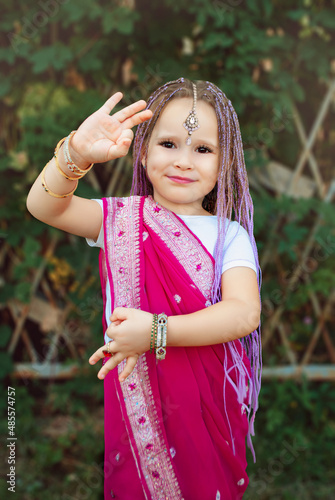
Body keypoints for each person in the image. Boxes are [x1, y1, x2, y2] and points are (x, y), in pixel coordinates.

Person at [27, 77, 262, 500]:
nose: (184, 161)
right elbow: (45, 206)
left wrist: (156, 331)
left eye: (203, 149)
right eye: (168, 144)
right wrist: (75, 155)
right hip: (137, 420)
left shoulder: (229, 235)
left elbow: (243, 313)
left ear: (225, 162)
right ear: (143, 149)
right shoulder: (118, 221)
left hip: (206, 416)